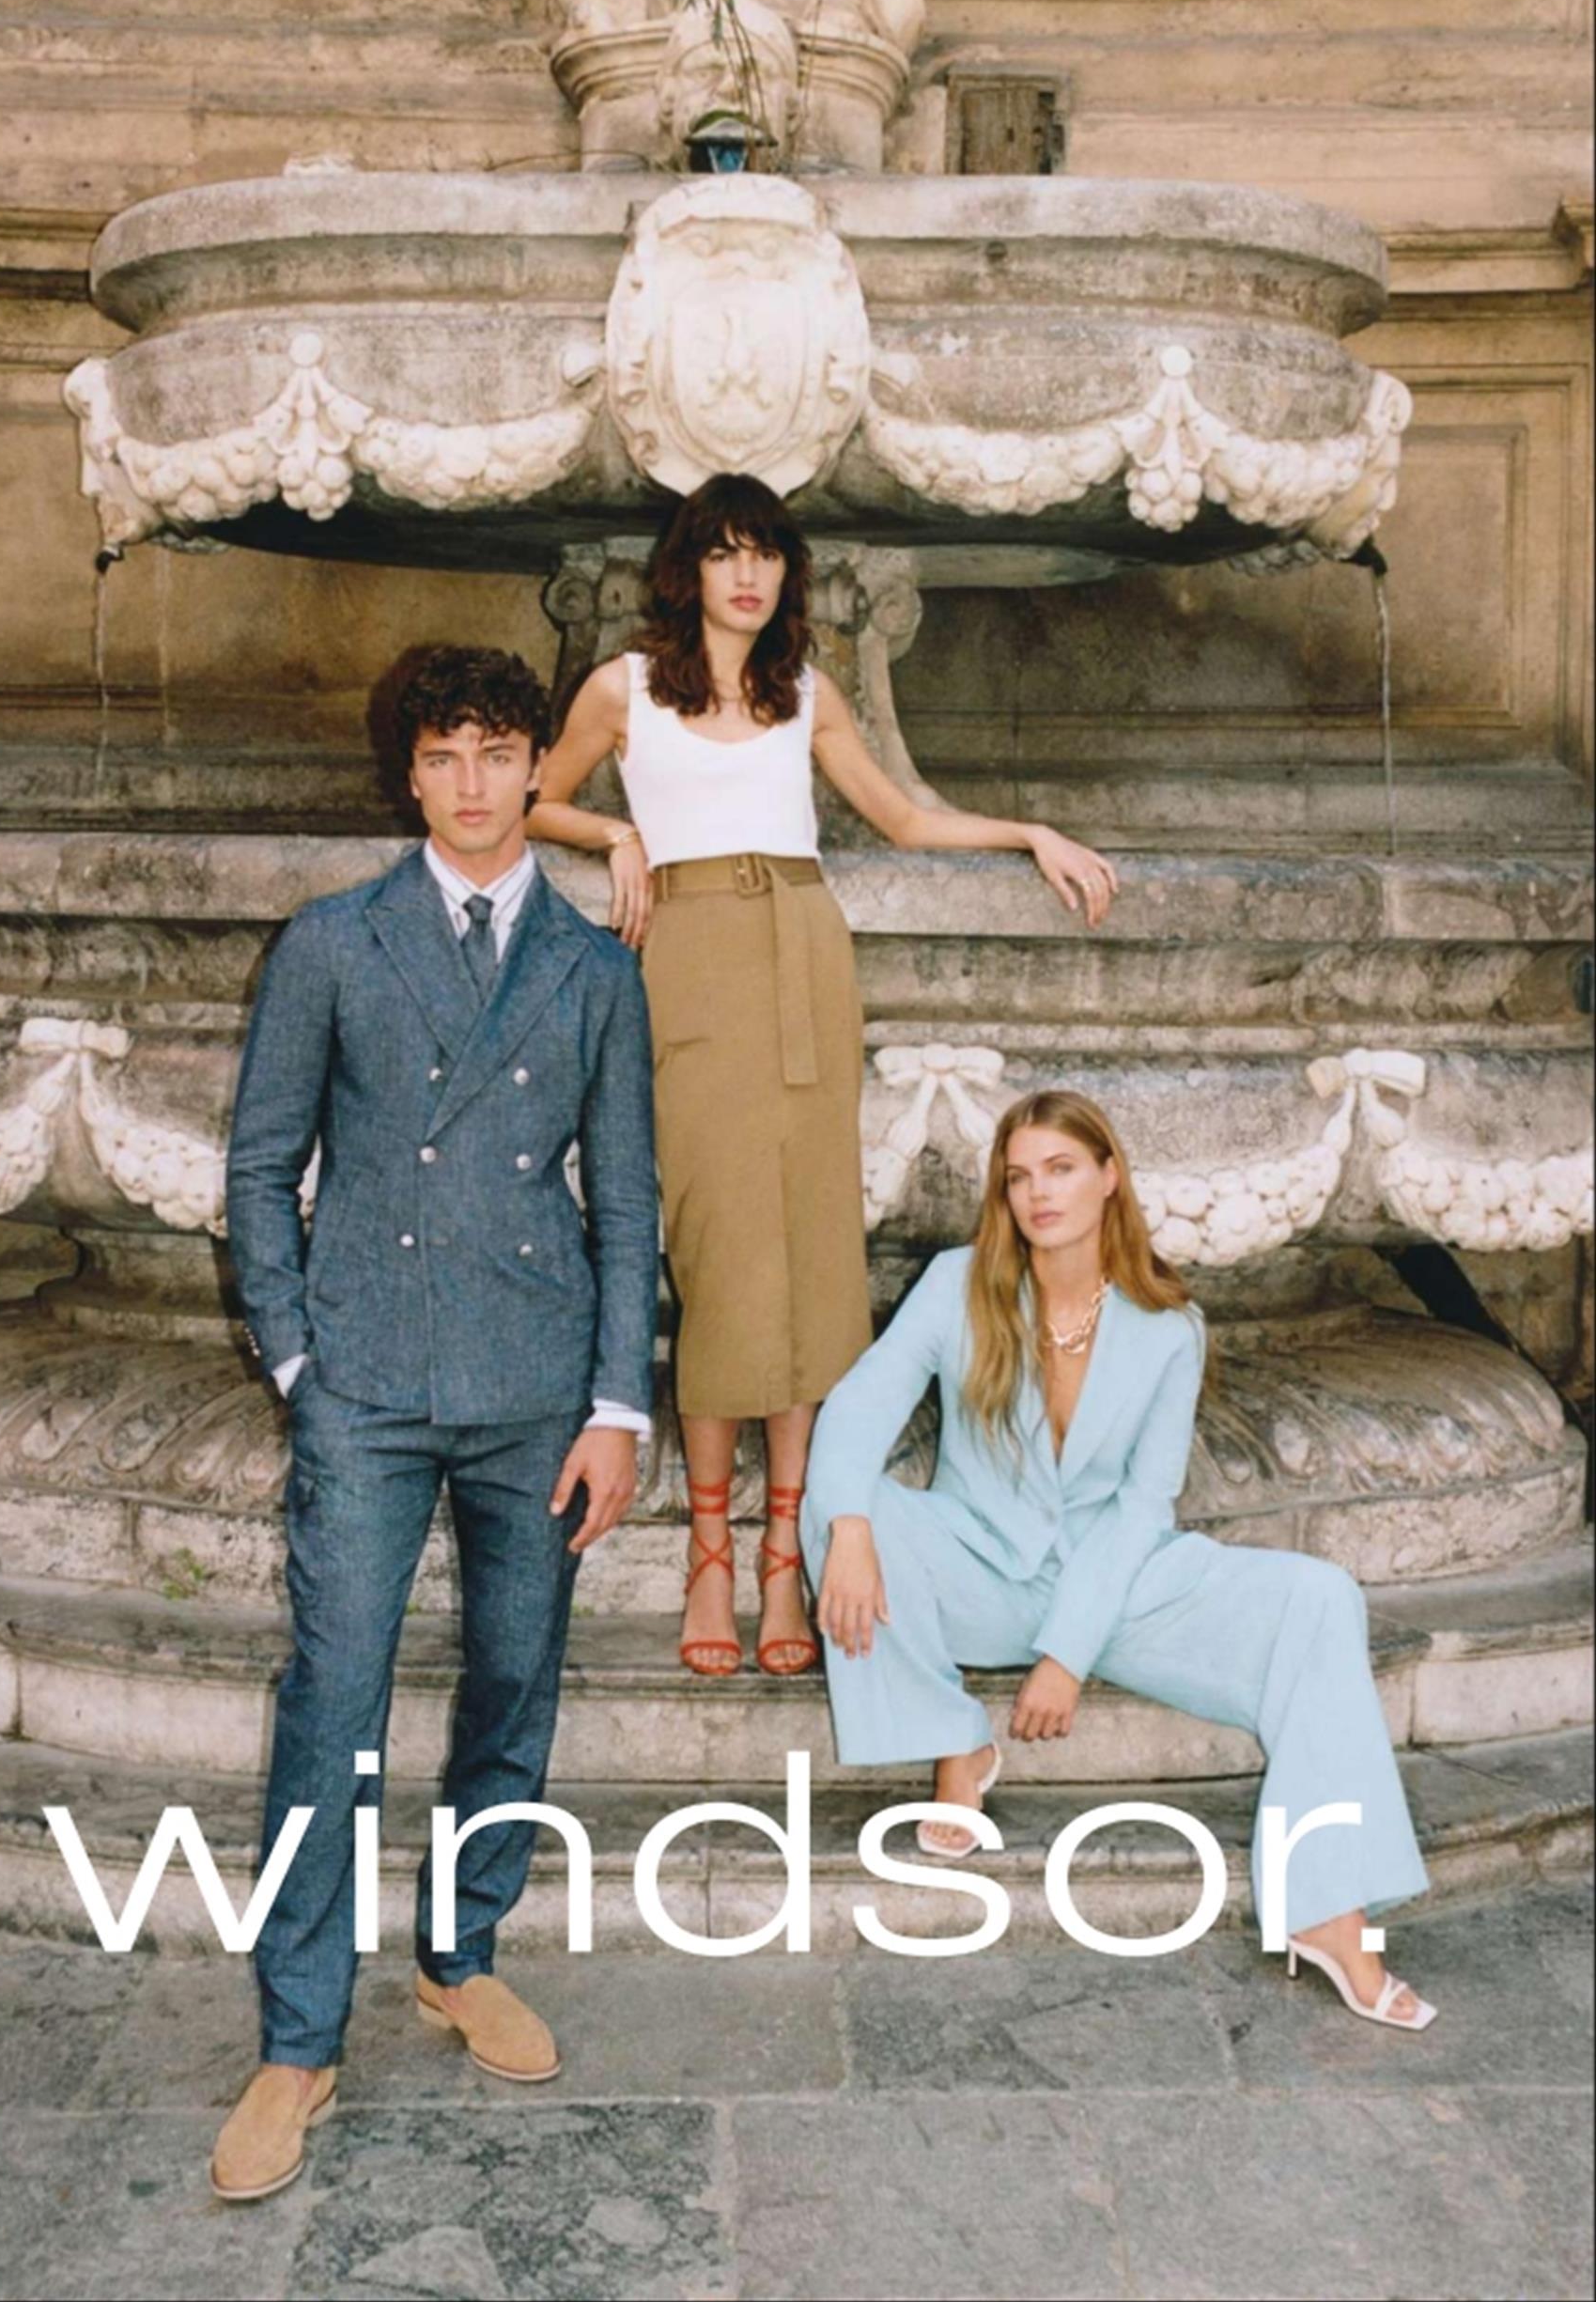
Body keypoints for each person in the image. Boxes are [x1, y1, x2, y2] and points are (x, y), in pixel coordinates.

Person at [530, 474, 1117, 1681]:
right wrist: (616, 832)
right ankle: (708, 1552)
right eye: (725, 552)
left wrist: (1030, 832)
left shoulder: (804, 692)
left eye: (767, 554)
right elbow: (531, 797)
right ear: (689, 569)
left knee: (809, 1263)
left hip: (805, 951)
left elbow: (904, 817)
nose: (748, 574)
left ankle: (784, 1555)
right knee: (716, 1256)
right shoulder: (624, 688)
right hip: (690, 961)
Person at [211, 645, 659, 2201]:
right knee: (330, 1704)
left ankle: (461, 1956)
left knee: (513, 1683)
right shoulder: (334, 944)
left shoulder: (595, 968)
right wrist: (296, 1362)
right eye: (444, 753)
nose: (472, 781)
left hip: (535, 1389)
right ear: (410, 774)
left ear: (539, 767)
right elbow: (261, 1165)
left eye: (497, 751)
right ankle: (297, 2039)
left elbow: (628, 1204)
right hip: (368, 1387)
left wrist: (618, 1404)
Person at [801, 1088, 1437, 2030]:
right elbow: (858, 1408)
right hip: (976, 1561)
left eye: (1060, 1168)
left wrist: (1067, 1653)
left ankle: (1328, 1911)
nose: (1038, 1192)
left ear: (1108, 1177)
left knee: (1319, 1598)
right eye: (1020, 1176)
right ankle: (956, 1740)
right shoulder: (957, 1282)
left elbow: (1142, 1510)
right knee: (840, 1513)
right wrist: (853, 1526)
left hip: (1117, 1580)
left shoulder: (1168, 1326)